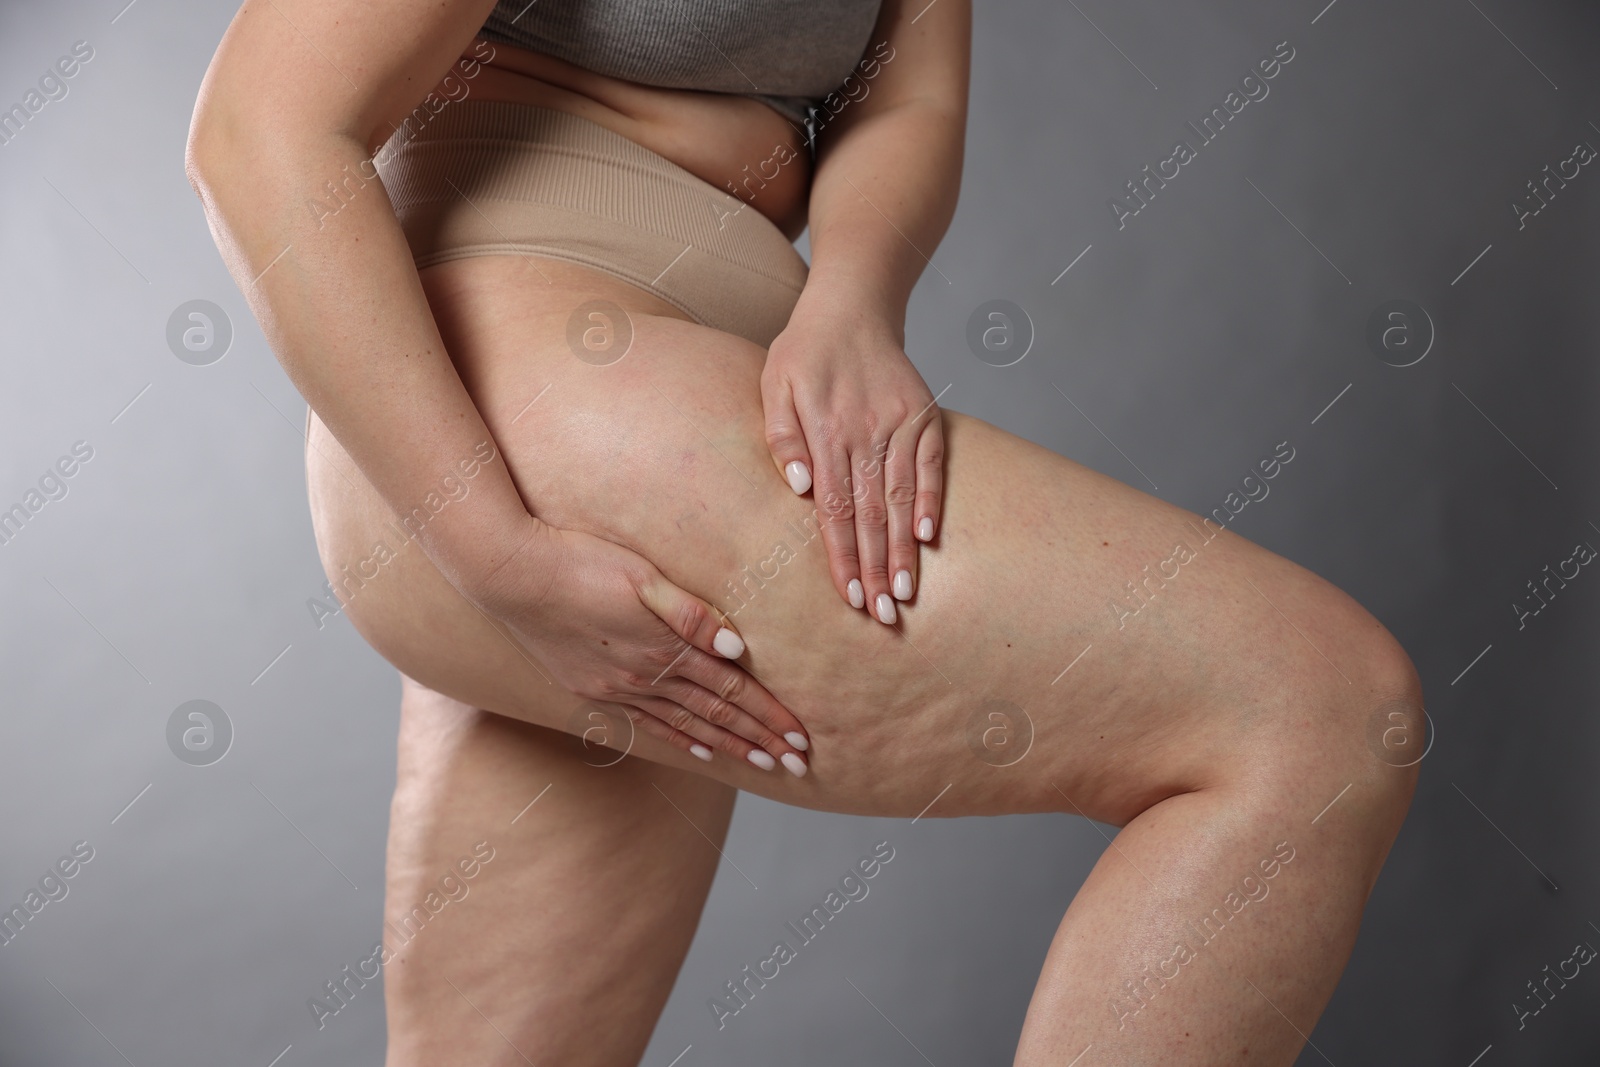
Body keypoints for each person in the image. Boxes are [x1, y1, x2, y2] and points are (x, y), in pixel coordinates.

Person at [185, 0, 1423, 1063]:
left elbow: (904, 103)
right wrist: (494, 549)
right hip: (517, 419)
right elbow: (258, 133)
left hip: (645, 406)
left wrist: (852, 300)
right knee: (1309, 710)